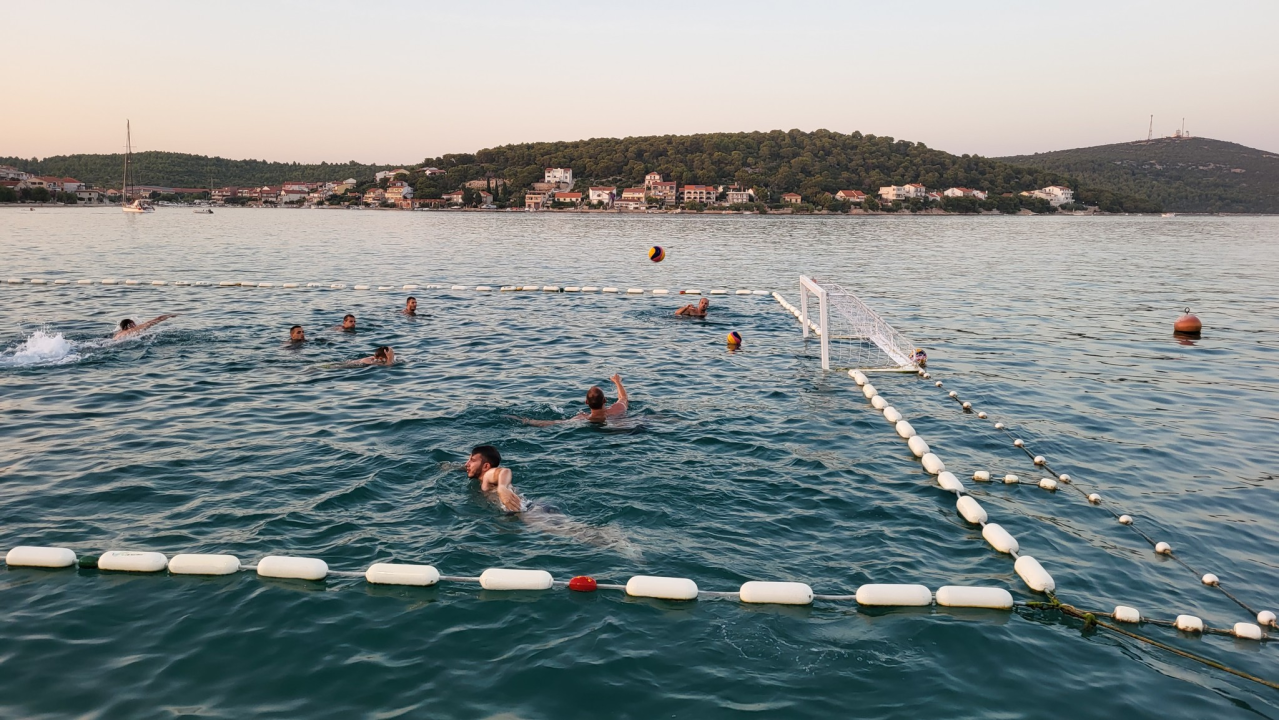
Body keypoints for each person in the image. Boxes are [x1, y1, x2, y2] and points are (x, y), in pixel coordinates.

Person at [522, 374, 628, 426]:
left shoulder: (581, 418)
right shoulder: (617, 409)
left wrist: (529, 421)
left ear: (587, 402)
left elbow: (554, 423)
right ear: (604, 400)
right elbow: (623, 398)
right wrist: (617, 382)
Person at [465, 444, 523, 512]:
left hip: (525, 511)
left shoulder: (487, 476)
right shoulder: (483, 475)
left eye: (473, 460)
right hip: (522, 507)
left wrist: (502, 487)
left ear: (486, 466)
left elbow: (505, 471)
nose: (466, 464)